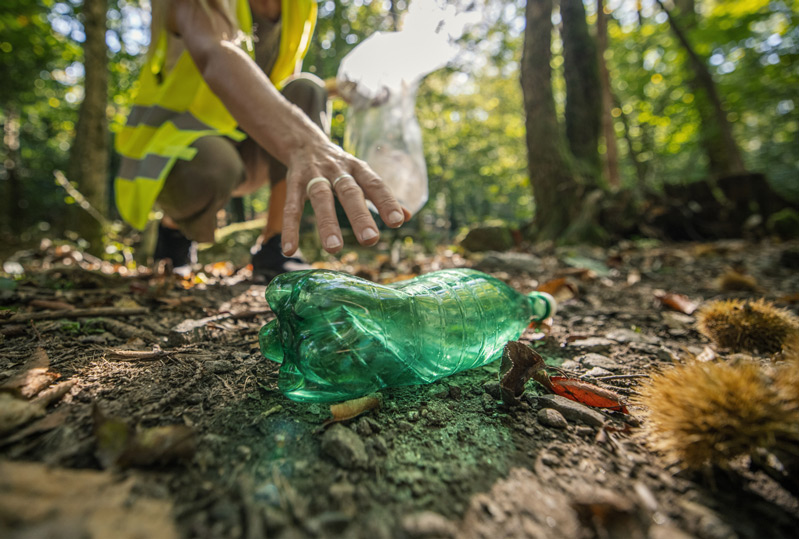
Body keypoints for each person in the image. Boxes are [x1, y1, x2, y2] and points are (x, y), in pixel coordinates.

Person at [114, 0, 410, 279]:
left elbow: (278, 90)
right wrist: (307, 143)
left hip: (248, 140)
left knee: (308, 88)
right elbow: (214, 52)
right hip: (179, 146)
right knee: (216, 164)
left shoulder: (299, 6)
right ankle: (174, 231)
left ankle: (275, 245)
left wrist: (343, 89)